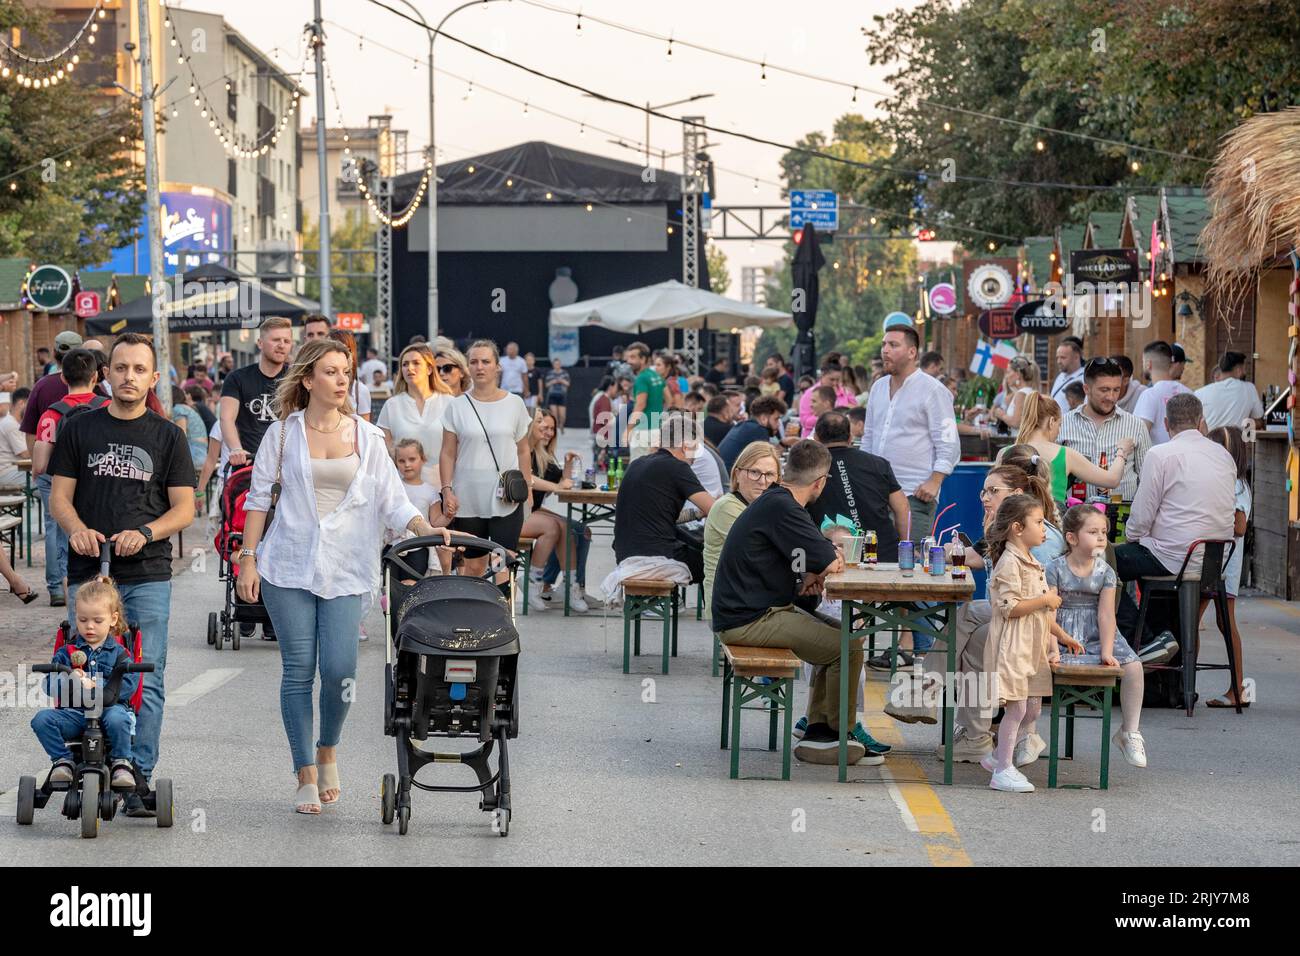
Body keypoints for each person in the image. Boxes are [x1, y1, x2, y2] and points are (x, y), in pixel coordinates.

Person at [235, 338, 448, 813]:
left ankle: (327, 748)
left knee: (339, 670)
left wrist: (424, 527)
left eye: (345, 372)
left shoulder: (368, 438)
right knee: (298, 670)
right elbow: (257, 499)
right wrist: (248, 557)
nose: (341, 380)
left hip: (348, 568)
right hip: (287, 564)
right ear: (308, 379)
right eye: (331, 372)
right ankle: (304, 772)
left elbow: (394, 500)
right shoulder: (283, 435)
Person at [49, 333, 197, 817]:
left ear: (153, 378)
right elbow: (60, 498)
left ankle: (137, 774)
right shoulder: (79, 427)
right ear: (104, 374)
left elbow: (184, 509)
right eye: (120, 368)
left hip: (147, 572)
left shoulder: (168, 435)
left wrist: (148, 532)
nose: (128, 377)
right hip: (92, 570)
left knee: (143, 676)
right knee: (80, 668)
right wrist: (77, 530)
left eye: (139, 369)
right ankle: (78, 761)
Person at [712, 440, 868, 765]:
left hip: (753, 610)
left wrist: (806, 576)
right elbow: (832, 561)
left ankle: (818, 730)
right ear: (820, 482)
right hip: (750, 619)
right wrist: (824, 565)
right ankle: (839, 736)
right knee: (848, 647)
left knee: (842, 636)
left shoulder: (776, 502)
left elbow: (799, 560)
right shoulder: (784, 507)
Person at [1115, 393, 1236, 649]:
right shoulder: (1224, 456)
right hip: (1214, 563)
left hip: (1173, 559)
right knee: (1151, 561)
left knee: (1100, 563)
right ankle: (1166, 659)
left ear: (1167, 424)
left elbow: (1140, 520)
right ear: (1201, 422)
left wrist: (1133, 537)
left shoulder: (1161, 455)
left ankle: (1146, 640)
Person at [982, 495, 1080, 792]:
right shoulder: (1009, 563)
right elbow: (1009, 607)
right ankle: (1002, 769)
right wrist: (1046, 599)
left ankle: (998, 755)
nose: (1045, 530)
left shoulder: (1033, 561)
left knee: (1033, 710)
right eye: (1038, 523)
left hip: (1033, 648)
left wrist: (1062, 637)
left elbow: (1040, 611)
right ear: (1017, 528)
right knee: (1016, 709)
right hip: (1013, 647)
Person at [1049, 504, 1147, 767]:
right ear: (1071, 538)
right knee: (1032, 666)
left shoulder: (1106, 572)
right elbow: (1048, 612)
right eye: (1093, 532)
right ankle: (1027, 733)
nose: (1102, 537)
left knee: (1134, 667)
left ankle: (1129, 731)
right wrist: (1051, 646)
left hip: (1096, 631)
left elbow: (1105, 614)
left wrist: (1106, 650)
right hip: (1060, 631)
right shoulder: (1055, 568)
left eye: (1104, 531)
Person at [30, 576, 141, 791]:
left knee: (120, 719)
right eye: (82, 620)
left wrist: (99, 688)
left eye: (97, 621)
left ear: (112, 619)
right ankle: (62, 761)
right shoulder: (67, 652)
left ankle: (121, 763)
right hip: (76, 714)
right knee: (42, 719)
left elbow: (129, 685)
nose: (89, 626)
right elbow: (49, 685)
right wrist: (70, 681)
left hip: (109, 710)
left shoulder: (120, 654)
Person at [439, 340, 534, 586]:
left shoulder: (514, 403)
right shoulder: (457, 406)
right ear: (467, 367)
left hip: (507, 498)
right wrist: (446, 490)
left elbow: (524, 451)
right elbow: (447, 453)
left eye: (485, 361)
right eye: (474, 361)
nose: (480, 367)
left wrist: (528, 489)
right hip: (468, 497)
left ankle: (503, 619)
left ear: (497, 367)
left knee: (504, 562)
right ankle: (473, 619)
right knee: (473, 565)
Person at [860, 325, 959, 538]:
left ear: (912, 352)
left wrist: (935, 481)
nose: (885, 350)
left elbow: (949, 442)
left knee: (910, 563)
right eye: (884, 344)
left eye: (893, 345)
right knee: (876, 560)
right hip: (877, 493)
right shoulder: (878, 387)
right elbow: (868, 437)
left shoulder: (933, 390)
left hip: (915, 493)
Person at [603, 413, 714, 599]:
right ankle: (725, 618)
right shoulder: (678, 467)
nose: (697, 456)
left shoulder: (637, 463)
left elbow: (659, 514)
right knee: (718, 561)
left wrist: (696, 513)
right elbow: (715, 509)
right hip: (657, 556)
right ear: (686, 445)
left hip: (625, 552)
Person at [30, 350, 107, 605]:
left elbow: (40, 465)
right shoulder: (108, 408)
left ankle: (62, 594)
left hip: (62, 489)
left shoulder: (51, 415)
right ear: (96, 376)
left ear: (63, 377)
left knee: (60, 537)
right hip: (100, 489)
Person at [521, 409, 598, 613]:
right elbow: (529, 479)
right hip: (515, 512)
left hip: (532, 510)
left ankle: (571, 587)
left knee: (578, 529)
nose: (549, 432)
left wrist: (568, 463)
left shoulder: (541, 454)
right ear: (530, 426)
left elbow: (562, 482)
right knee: (558, 528)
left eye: (552, 429)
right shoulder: (520, 450)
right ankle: (537, 584)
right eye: (543, 426)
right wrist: (556, 487)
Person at [808, 410, 909, 562]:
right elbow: (903, 508)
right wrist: (903, 547)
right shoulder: (878, 464)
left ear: (816, 438)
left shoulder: (809, 470)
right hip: (883, 554)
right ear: (850, 437)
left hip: (833, 558)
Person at [702, 441, 781, 623]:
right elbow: (767, 554)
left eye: (769, 474)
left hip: (758, 601)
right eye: (754, 472)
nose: (763, 481)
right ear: (737, 474)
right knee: (837, 641)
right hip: (733, 610)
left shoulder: (766, 507)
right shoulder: (727, 507)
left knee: (842, 635)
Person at [1201, 426, 1251, 709]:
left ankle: (1237, 688)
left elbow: (1240, 526)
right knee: (1202, 621)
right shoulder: (1228, 481)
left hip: (1222, 565)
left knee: (1222, 621)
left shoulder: (1236, 484)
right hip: (1215, 562)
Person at [1054, 357, 1150, 501]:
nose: (1111, 397)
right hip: (1074, 518)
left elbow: (1147, 480)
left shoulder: (1136, 426)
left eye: (1116, 390)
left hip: (1120, 519)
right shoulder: (1063, 424)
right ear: (1086, 389)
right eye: (1104, 390)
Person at [1018, 392, 1134, 506]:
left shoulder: (1006, 452)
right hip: (1052, 522)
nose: (1059, 432)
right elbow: (1112, 480)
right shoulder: (1064, 454)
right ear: (1051, 422)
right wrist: (1122, 451)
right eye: (1060, 425)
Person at [376, 343, 455, 488]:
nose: (409, 368)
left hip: (443, 487)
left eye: (416, 363)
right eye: (405, 364)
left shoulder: (449, 403)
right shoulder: (392, 405)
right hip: (403, 489)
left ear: (430, 369)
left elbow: (459, 447)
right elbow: (383, 447)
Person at [220, 316, 293, 467]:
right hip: (248, 463)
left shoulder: (296, 379)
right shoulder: (237, 378)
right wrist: (236, 449)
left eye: (287, 341)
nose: (281, 345)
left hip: (288, 463)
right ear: (260, 343)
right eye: (276, 340)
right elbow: (226, 419)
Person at [388, 438, 450, 578]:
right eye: (402, 461)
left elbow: (435, 521)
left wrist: (447, 516)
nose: (407, 465)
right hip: (393, 545)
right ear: (395, 463)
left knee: (412, 584)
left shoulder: (430, 491)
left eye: (412, 459)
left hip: (418, 546)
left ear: (423, 459)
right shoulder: (393, 488)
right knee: (391, 586)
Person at [1133, 341, 1192, 445]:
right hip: (1187, 459)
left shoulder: (1149, 395)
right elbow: (1202, 429)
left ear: (1148, 364)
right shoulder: (1189, 393)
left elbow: (1138, 436)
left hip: (1158, 459)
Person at [1195, 351, 1263, 431]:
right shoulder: (1250, 389)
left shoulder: (1200, 393)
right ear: (1238, 371)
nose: (1245, 373)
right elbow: (1258, 420)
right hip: (1236, 442)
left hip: (1208, 441)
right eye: (1244, 369)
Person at [718, 394, 785, 472]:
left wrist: (783, 443)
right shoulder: (759, 430)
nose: (778, 424)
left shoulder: (745, 426)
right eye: (776, 419)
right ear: (763, 418)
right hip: (731, 482)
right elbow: (766, 466)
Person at [623, 342, 665, 458]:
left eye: (633, 357)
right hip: (658, 429)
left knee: (637, 470)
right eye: (628, 357)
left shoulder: (641, 378)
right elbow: (669, 400)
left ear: (643, 359)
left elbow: (640, 405)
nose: (629, 361)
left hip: (643, 431)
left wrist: (628, 429)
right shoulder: (656, 376)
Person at [327, 329, 373, 422]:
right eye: (329, 348)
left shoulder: (360, 390)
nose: (334, 354)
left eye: (340, 349)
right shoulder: (319, 385)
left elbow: (364, 430)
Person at [990, 355, 1040, 432]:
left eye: (1008, 372)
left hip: (1020, 442)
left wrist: (1002, 415)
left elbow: (1016, 423)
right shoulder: (1028, 391)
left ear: (1018, 374)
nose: (1006, 377)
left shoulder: (1021, 394)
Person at [170, 385, 208, 473]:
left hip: (194, 455)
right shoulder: (187, 409)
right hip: (201, 454)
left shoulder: (178, 409)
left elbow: (181, 436)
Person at [798, 364, 843, 436]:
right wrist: (827, 418)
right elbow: (804, 421)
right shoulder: (810, 394)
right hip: (812, 439)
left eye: (838, 380)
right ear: (822, 376)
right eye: (831, 379)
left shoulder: (844, 392)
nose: (835, 383)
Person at [0, 389, 27, 489]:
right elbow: (25, 454)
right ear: (21, 403)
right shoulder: (10, 424)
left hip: (13, 470)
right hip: (6, 473)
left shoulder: (14, 423)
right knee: (43, 479)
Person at [1050, 335, 1085, 412]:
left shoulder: (1085, 378)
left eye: (1063, 357)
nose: (1059, 361)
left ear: (1076, 357)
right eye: (1057, 358)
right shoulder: (1060, 376)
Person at [589, 375, 619, 466]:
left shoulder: (602, 398)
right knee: (600, 467)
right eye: (616, 387)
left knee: (598, 466)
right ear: (610, 387)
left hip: (600, 436)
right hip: (602, 437)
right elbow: (605, 420)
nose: (617, 390)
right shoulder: (604, 400)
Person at [544, 357, 571, 430]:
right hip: (553, 394)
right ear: (553, 365)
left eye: (558, 364)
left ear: (560, 365)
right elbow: (546, 385)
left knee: (562, 415)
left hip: (562, 395)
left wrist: (561, 381)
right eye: (555, 364)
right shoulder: (550, 373)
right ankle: (555, 427)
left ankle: (561, 424)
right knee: (554, 414)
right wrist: (553, 382)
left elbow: (568, 384)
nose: (557, 365)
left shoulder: (565, 373)